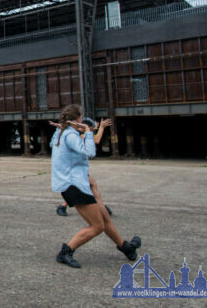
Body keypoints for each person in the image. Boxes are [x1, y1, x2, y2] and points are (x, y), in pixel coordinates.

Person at [51, 104, 141, 268]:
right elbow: (90, 152)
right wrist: (88, 132)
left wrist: (68, 128)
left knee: (105, 217)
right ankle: (65, 252)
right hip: (74, 185)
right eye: (81, 117)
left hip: (77, 183)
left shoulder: (62, 132)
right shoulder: (70, 135)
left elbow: (57, 143)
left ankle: (126, 248)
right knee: (97, 226)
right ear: (77, 118)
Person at [54, 117, 113, 217]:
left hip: (76, 167)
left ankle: (100, 207)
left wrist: (94, 129)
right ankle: (102, 207)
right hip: (74, 168)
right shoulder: (78, 136)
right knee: (90, 185)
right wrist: (101, 128)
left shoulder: (78, 134)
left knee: (88, 186)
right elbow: (97, 140)